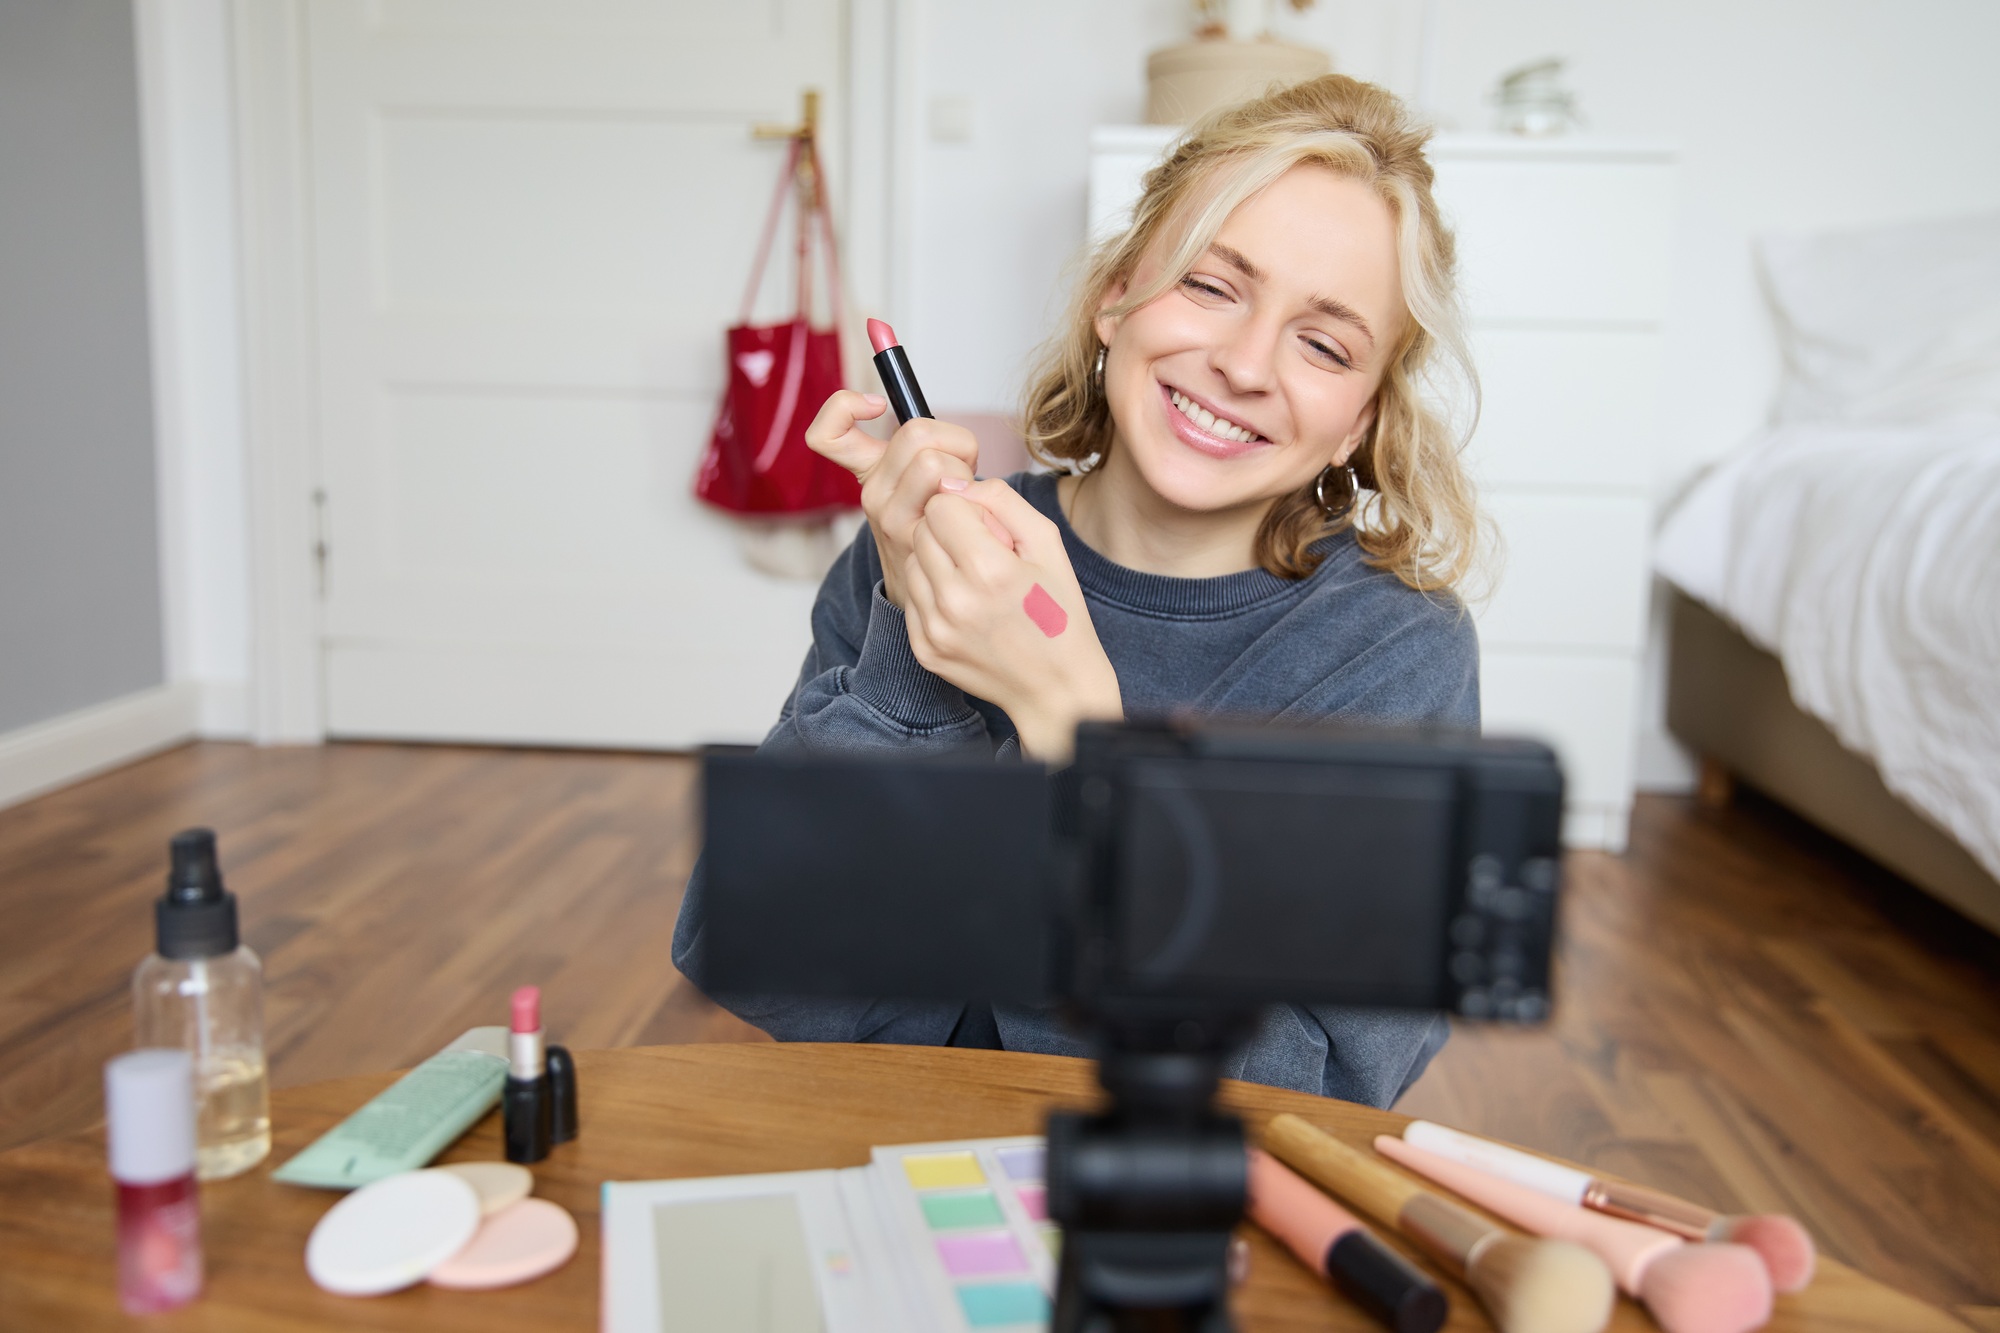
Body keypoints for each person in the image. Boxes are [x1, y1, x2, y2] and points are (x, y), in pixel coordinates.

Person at [674, 74, 1484, 1109]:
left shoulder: (1389, 654)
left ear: (1363, 418)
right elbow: (767, 970)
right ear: (1116, 297)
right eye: (1209, 284)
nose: (1241, 362)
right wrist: (913, 669)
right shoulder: (934, 556)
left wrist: (1074, 734)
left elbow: (1298, 1089)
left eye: (1322, 343)